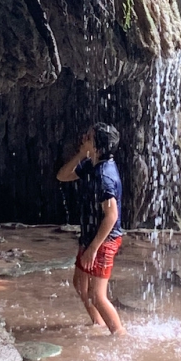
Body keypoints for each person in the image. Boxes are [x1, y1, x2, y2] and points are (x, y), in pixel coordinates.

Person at [56, 123, 126, 336]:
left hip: (104, 240)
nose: (83, 137)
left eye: (88, 137)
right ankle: (98, 323)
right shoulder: (91, 164)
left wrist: (93, 248)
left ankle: (120, 335)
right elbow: (62, 176)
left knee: (97, 294)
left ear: (98, 147)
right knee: (79, 283)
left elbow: (111, 216)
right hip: (90, 236)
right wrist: (80, 155)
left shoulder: (105, 176)